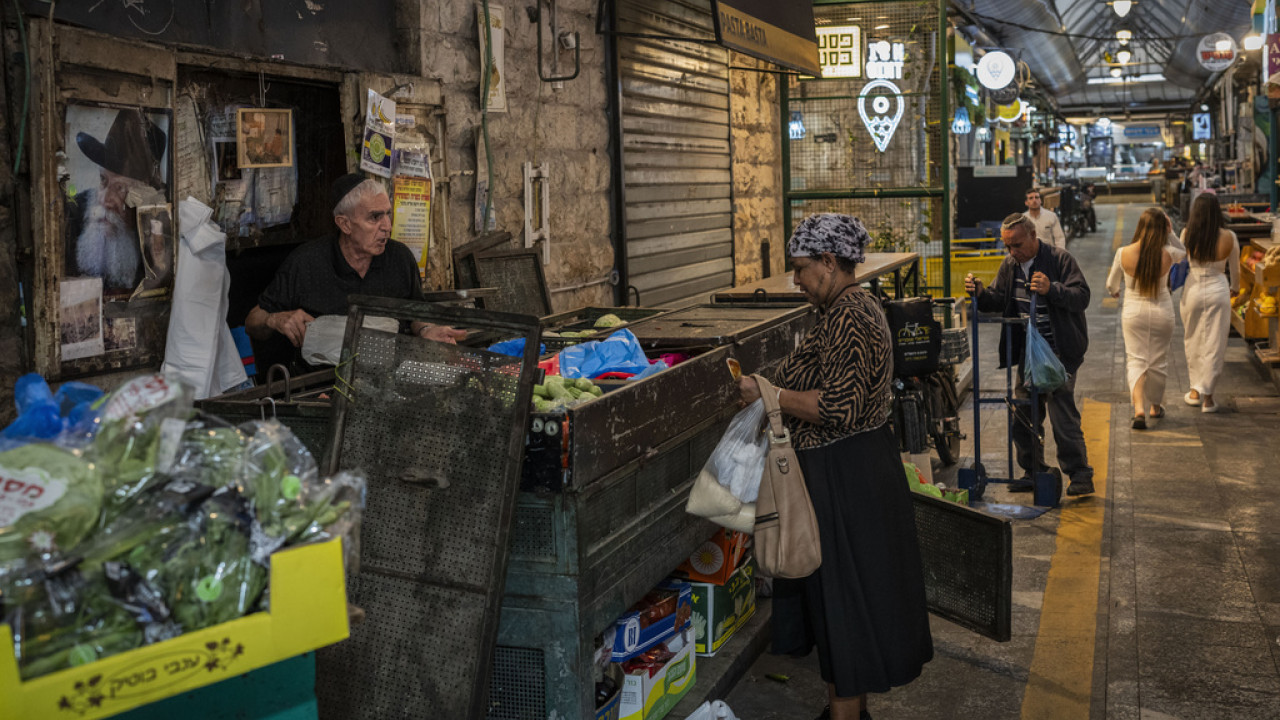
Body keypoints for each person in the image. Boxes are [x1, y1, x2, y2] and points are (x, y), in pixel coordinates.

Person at [736, 213, 933, 720]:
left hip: (847, 476)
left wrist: (770, 394)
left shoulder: (851, 314)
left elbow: (838, 407)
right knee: (837, 602)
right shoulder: (840, 311)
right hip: (846, 470)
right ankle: (847, 711)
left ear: (829, 262)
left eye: (801, 269)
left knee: (843, 603)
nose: (796, 281)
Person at [246, 173, 465, 348]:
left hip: (385, 375)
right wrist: (274, 319)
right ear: (345, 224)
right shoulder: (306, 263)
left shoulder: (400, 258)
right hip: (322, 382)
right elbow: (252, 321)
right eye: (374, 217)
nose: (387, 226)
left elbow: (416, 313)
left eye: (387, 214)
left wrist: (427, 330)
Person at [965, 213, 1094, 496]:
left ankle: (1080, 474)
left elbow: (1082, 296)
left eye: (1018, 245)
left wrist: (1053, 289)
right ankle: (1033, 471)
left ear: (1034, 236)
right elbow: (999, 299)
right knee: (1022, 414)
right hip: (1030, 354)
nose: (1014, 252)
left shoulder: (1060, 260)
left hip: (1060, 352)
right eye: (1008, 246)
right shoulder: (1010, 265)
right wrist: (980, 293)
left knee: (1062, 414)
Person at [64, 109, 168, 293]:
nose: (105, 200)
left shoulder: (156, 226)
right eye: (103, 180)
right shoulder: (73, 212)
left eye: (120, 188)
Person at [1106, 208, 1185, 429]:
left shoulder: (1123, 252)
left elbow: (1112, 284)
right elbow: (1184, 251)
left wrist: (1115, 291)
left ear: (1140, 227)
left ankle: (1139, 408)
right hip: (1162, 311)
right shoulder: (1168, 252)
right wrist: (1170, 232)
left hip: (1133, 312)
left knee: (1136, 359)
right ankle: (1155, 407)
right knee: (1158, 360)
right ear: (1163, 228)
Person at [1179, 193, 1240, 413]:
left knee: (1193, 339)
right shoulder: (1230, 236)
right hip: (1218, 289)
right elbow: (1236, 272)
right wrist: (1235, 289)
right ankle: (1209, 398)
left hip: (1193, 289)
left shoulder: (1187, 234)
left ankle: (1194, 391)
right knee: (1215, 343)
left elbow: (1180, 262)